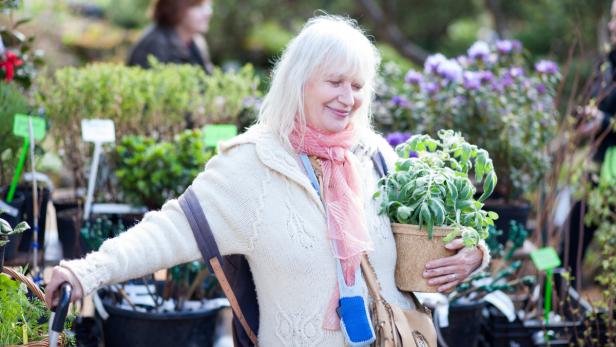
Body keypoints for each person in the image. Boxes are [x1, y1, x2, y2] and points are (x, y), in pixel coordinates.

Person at [47, 15, 489, 346]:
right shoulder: (252, 163)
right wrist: (85, 272)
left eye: (357, 86)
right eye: (334, 82)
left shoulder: (374, 157)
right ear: (299, 82)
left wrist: (473, 254)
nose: (348, 98)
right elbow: (169, 229)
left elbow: (431, 239)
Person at [564, 0, 616, 289]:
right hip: (598, 170)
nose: (611, 25)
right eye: (611, 18)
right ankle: (559, 304)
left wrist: (605, 121)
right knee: (572, 240)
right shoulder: (606, 63)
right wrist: (588, 120)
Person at [127, 0, 214, 73]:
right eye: (198, 7)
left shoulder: (196, 43)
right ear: (176, 8)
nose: (208, 12)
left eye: (209, 5)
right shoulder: (154, 44)